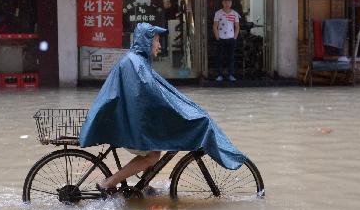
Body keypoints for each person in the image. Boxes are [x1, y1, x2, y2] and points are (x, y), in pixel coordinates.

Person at [79, 22, 246, 195]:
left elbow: (158, 95)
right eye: (157, 40)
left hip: (130, 120)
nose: (159, 45)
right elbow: (153, 97)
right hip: (130, 124)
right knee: (152, 156)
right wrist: (180, 114)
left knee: (155, 149)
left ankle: (142, 186)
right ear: (146, 41)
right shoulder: (135, 64)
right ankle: (108, 183)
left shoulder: (137, 61)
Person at [213, 0, 240, 82]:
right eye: (225, 2)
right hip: (221, 38)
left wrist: (234, 38)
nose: (227, 4)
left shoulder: (235, 14)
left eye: (229, 2)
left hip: (231, 39)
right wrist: (217, 37)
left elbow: (237, 26)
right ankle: (219, 75)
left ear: (231, 3)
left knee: (231, 58)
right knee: (220, 57)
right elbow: (215, 26)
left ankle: (230, 75)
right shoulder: (218, 13)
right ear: (222, 2)